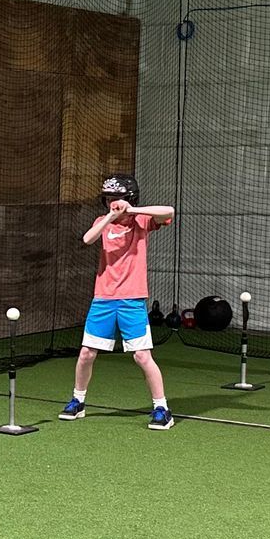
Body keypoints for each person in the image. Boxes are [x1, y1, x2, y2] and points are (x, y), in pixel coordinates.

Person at [59, 174, 176, 429]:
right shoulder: (103, 221)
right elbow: (87, 239)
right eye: (109, 198)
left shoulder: (141, 220)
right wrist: (111, 216)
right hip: (103, 298)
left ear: (129, 199)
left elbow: (169, 211)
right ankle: (78, 402)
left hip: (132, 300)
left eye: (117, 199)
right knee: (87, 353)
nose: (113, 202)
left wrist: (130, 209)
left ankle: (162, 409)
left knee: (142, 356)